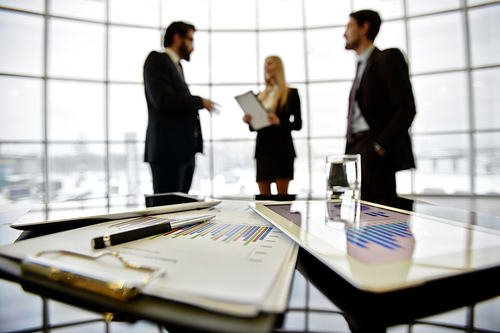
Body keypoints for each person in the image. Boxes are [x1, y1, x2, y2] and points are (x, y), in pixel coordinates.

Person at [343, 10, 416, 196]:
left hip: (374, 148)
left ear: (364, 27)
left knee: (381, 215)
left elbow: (406, 107)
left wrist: (381, 146)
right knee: (357, 214)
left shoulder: (387, 58)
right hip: (356, 147)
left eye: (349, 26)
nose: (345, 33)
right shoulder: (362, 66)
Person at [143, 21, 217, 194]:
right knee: (167, 210)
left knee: (180, 209)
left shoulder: (177, 66)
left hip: (182, 151)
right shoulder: (157, 59)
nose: (193, 47)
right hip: (167, 151)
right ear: (177, 38)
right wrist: (199, 101)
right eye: (190, 40)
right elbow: (163, 99)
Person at [243, 56, 302, 195]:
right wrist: (250, 120)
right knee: (263, 200)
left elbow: (298, 124)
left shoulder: (291, 94)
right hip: (263, 149)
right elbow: (254, 128)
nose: (266, 68)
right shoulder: (260, 96)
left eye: (269, 64)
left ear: (278, 66)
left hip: (282, 149)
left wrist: (279, 121)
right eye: (265, 65)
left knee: (282, 200)